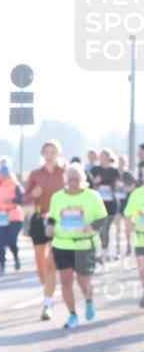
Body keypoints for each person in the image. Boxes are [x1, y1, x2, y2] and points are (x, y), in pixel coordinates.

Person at [46, 163, 108, 329]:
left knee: (83, 280)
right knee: (66, 279)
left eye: (76, 179)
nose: (73, 182)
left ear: (83, 180)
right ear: (66, 180)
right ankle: (72, 314)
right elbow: (52, 217)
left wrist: (92, 227)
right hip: (62, 244)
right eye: (70, 179)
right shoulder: (57, 197)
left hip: (84, 244)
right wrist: (50, 227)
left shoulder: (92, 196)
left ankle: (88, 300)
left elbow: (103, 220)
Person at [26, 141, 66, 320]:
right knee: (39, 258)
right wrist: (33, 194)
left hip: (59, 219)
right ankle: (46, 285)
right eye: (47, 152)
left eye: (53, 152)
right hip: (39, 217)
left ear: (58, 153)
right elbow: (24, 197)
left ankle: (47, 299)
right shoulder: (35, 174)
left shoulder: (64, 173)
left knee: (52, 261)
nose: (50, 155)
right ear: (42, 154)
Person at [0, 156, 24, 276]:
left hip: (13, 216)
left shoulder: (15, 182)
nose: (3, 175)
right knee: (0, 242)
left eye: (5, 172)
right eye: (1, 172)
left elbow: (22, 198)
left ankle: (16, 256)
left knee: (11, 241)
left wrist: (12, 201)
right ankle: (2, 266)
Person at [90, 148, 122, 261]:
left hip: (111, 203)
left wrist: (115, 185)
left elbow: (118, 186)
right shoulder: (95, 169)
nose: (102, 158)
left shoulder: (114, 171)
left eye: (104, 156)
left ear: (109, 158)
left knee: (107, 227)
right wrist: (95, 182)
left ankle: (105, 251)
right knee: (98, 227)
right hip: (98, 202)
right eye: (101, 156)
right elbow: (89, 184)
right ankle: (99, 249)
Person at [122, 179, 144, 308]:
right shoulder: (136, 194)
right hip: (141, 239)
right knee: (142, 269)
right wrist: (129, 226)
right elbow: (127, 213)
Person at [118, 153, 137, 256]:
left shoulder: (129, 174)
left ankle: (129, 245)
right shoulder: (114, 173)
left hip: (126, 203)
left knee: (127, 226)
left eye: (123, 161)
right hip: (117, 203)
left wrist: (125, 189)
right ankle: (117, 248)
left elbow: (133, 186)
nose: (121, 163)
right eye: (120, 161)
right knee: (117, 227)